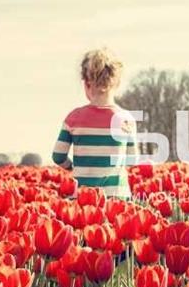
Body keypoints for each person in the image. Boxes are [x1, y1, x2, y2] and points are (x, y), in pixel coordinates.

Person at [51, 48, 137, 198]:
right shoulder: (126, 119)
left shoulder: (74, 118)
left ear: (86, 83)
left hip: (82, 197)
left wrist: (73, 167)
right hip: (117, 196)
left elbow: (58, 156)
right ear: (117, 83)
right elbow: (132, 159)